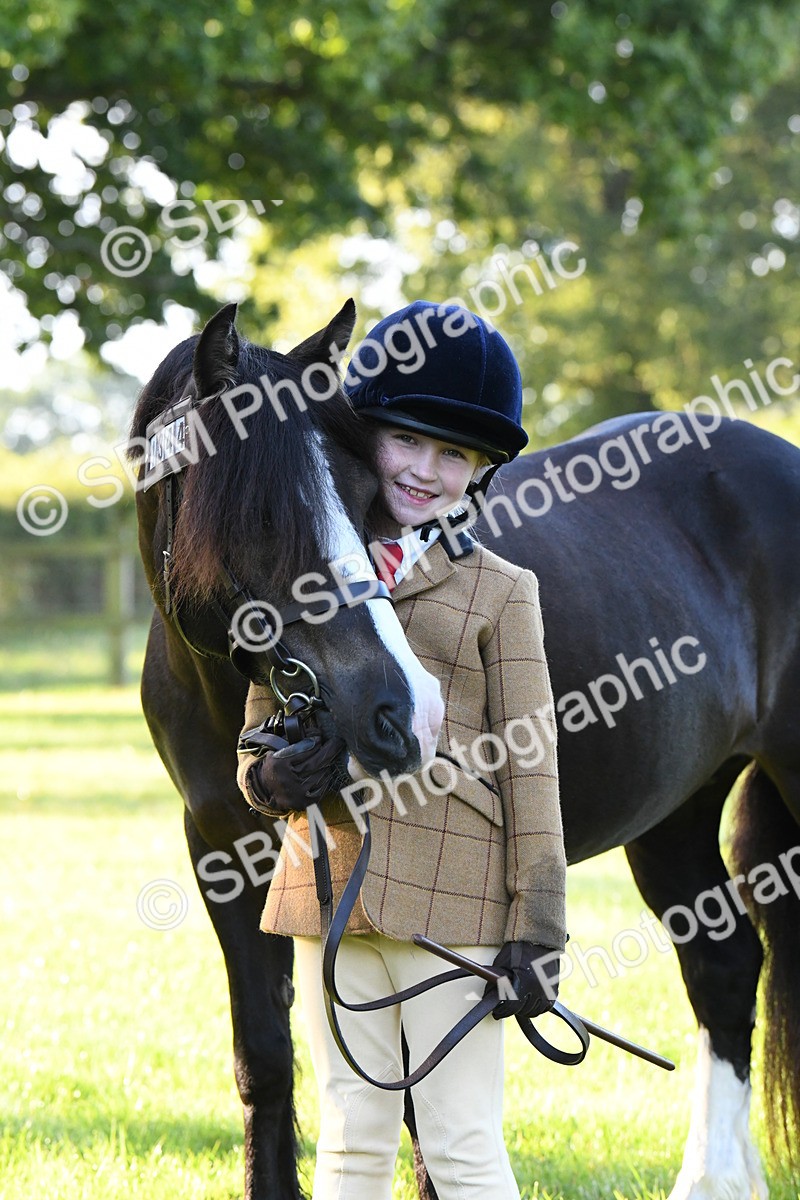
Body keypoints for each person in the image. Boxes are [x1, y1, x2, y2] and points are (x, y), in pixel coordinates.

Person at [235, 301, 567, 1200]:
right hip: (328, 895)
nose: (426, 470)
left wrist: (538, 928)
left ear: (480, 472)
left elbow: (532, 767)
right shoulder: (301, 571)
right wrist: (267, 777)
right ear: (364, 438)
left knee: (461, 1147)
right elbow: (258, 725)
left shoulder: (502, 592)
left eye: (454, 454)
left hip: (455, 916)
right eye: (407, 441)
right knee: (349, 1141)